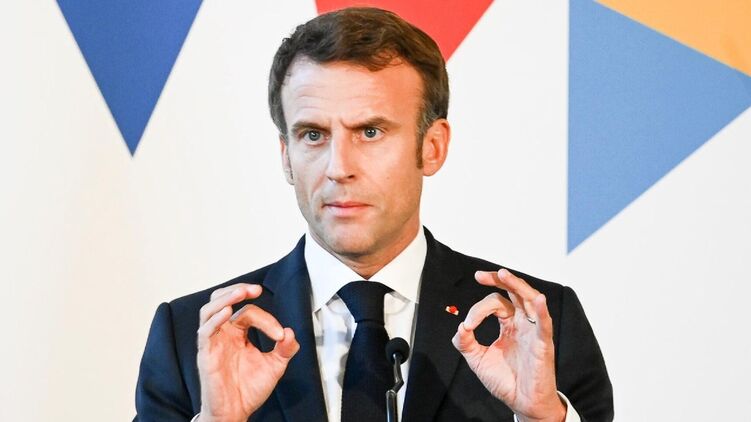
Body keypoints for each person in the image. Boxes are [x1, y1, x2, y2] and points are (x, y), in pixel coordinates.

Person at [134, 7, 613, 422]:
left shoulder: (536, 325)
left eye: (370, 132)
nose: (338, 167)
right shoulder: (193, 337)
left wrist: (542, 418)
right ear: (286, 156)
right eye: (313, 135)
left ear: (432, 146)